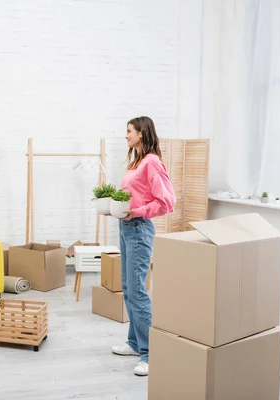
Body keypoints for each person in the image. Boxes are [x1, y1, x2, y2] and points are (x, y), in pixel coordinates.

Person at [110, 116, 175, 376]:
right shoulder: (136, 161)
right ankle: (135, 343)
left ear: (141, 132)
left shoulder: (152, 162)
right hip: (126, 227)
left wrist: (136, 212)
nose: (125, 135)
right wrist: (115, 208)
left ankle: (150, 353)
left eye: (129, 131)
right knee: (128, 288)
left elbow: (167, 202)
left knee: (137, 290)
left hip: (139, 229)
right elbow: (132, 197)